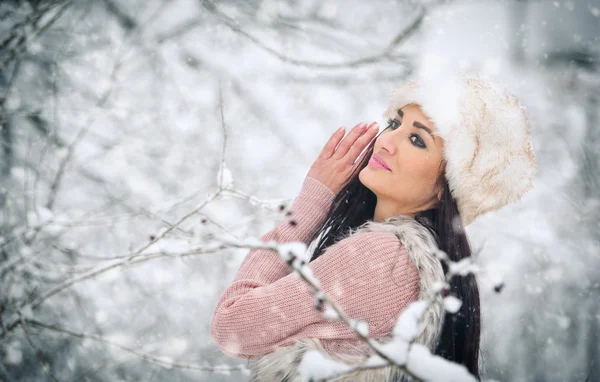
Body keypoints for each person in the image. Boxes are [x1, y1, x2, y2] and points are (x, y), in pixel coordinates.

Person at [210, 73, 537, 381]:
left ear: (445, 186)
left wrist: (311, 203)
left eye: (416, 139)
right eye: (394, 123)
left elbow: (232, 327)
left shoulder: (384, 258)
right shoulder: (412, 262)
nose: (387, 141)